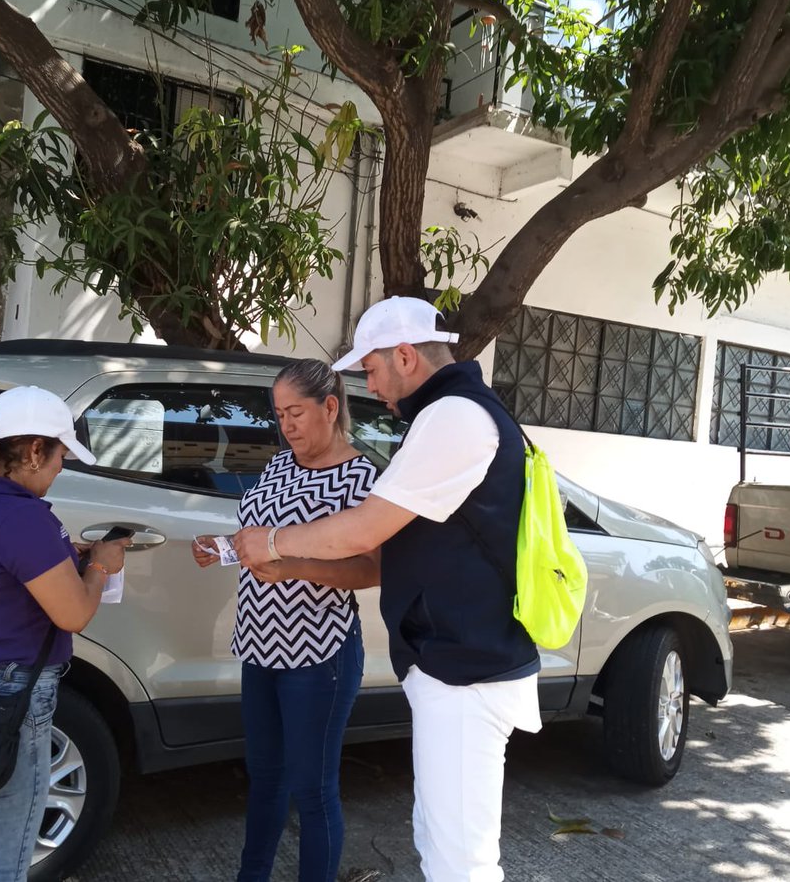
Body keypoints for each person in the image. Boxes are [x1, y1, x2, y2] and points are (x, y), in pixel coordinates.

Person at [234, 298, 541, 882]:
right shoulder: (451, 414)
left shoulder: (454, 417)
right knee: (440, 841)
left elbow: (366, 530)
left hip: (465, 666)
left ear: (405, 354)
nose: (369, 386)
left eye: (371, 370)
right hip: (453, 660)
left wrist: (274, 545)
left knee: (460, 861)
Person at [0, 385, 129, 882]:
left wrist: (63, 555)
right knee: (2, 861)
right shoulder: (25, 517)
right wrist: (99, 563)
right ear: (34, 450)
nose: (59, 470)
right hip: (11, 700)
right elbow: (73, 614)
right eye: (58, 457)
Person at [192, 359, 380, 882]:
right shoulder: (281, 466)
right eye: (280, 414)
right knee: (266, 777)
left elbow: (369, 570)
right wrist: (223, 548)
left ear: (330, 407)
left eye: (296, 412)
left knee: (313, 788)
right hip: (261, 643)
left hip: (319, 653)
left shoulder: (362, 478)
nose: (287, 424)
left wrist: (294, 567)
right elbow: (259, 537)